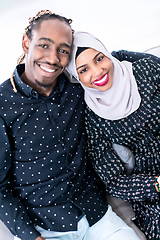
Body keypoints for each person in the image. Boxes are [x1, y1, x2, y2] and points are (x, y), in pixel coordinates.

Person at [0, 10, 141, 240]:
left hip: (97, 216)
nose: (53, 58)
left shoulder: (77, 85)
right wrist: (31, 236)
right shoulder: (4, 105)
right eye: (44, 45)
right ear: (26, 42)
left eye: (63, 50)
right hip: (43, 226)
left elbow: (111, 58)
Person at [66, 31, 160, 240]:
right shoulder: (92, 117)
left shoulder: (147, 70)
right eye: (84, 70)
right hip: (152, 190)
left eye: (99, 58)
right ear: (76, 76)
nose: (98, 71)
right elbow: (114, 181)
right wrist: (156, 184)